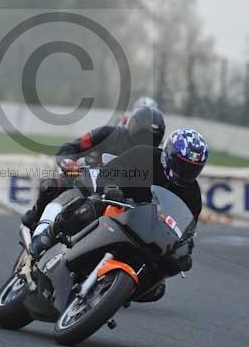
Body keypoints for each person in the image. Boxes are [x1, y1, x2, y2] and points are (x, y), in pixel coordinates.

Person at [28, 128, 209, 301]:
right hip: (115, 207)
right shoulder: (145, 155)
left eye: (192, 168)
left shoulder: (193, 195)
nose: (185, 172)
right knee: (88, 207)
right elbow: (109, 173)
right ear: (168, 155)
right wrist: (112, 188)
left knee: (158, 286)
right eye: (181, 165)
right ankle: (48, 233)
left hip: (147, 233)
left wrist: (185, 251)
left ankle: (111, 293)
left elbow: (186, 229)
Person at [22, 106, 165, 230]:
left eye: (152, 138)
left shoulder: (156, 158)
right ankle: (36, 219)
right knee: (50, 186)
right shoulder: (107, 134)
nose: (145, 141)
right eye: (143, 134)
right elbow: (71, 147)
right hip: (85, 182)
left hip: (122, 201)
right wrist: (68, 163)